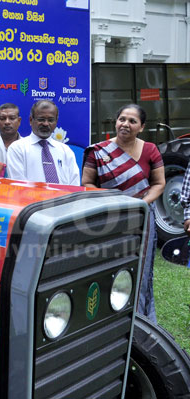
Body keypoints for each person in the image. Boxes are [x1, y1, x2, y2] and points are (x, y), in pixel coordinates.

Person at [81, 104, 165, 323]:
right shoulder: (98, 151)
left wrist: (140, 205)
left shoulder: (150, 150)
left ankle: (141, 321)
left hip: (142, 218)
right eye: (122, 119)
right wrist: (114, 202)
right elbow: (87, 183)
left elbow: (159, 184)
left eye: (132, 121)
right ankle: (108, 321)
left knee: (141, 270)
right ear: (116, 122)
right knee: (109, 267)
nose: (125, 124)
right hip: (110, 218)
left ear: (141, 127)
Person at [6, 100, 79, 185]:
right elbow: (18, 184)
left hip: (64, 198)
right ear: (30, 120)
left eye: (51, 120)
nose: (46, 124)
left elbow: (75, 184)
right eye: (41, 119)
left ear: (56, 121)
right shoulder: (17, 149)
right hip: (31, 198)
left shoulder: (65, 151)